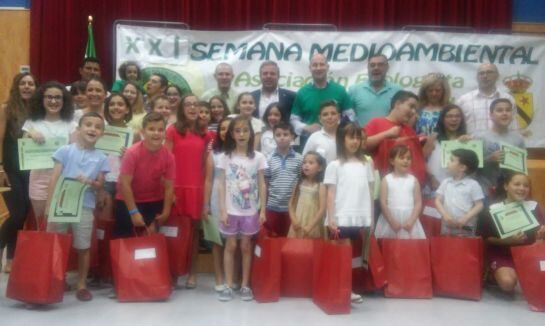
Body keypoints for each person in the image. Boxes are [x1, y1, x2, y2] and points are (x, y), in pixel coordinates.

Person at [45, 112, 110, 301]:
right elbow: (55, 178)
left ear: (102, 133)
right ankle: (57, 280)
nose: (92, 129)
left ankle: (81, 284)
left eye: (97, 127)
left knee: (83, 246)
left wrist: (90, 181)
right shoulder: (65, 151)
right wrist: (50, 204)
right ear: (79, 129)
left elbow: (100, 186)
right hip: (61, 203)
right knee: (56, 244)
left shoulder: (101, 157)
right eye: (88, 125)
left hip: (84, 205)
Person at [217, 116, 267, 302]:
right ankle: (229, 285)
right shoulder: (225, 157)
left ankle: (245, 285)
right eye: (237, 131)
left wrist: (262, 210)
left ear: (251, 134)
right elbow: (221, 184)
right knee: (230, 246)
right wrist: (222, 209)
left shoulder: (259, 157)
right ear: (231, 134)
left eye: (245, 131)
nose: (241, 134)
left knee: (246, 246)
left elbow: (262, 184)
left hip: (250, 211)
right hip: (230, 210)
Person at [165, 94, 213, 289]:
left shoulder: (207, 135)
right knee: (174, 232)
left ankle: (193, 273)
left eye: (196, 105)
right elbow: (166, 161)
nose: (192, 108)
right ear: (182, 108)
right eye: (188, 104)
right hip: (176, 187)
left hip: (197, 189)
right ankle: (174, 272)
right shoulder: (172, 131)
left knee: (193, 234)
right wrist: (169, 190)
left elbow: (206, 165)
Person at [325, 122, 374, 304]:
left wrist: (370, 217)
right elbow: (331, 192)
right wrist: (331, 217)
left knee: (350, 253)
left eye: (358, 137)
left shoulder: (365, 163)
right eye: (350, 137)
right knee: (341, 251)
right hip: (340, 215)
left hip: (357, 215)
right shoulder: (335, 165)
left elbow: (369, 190)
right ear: (341, 139)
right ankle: (339, 287)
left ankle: (345, 287)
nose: (355, 141)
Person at [480, 171, 545, 294]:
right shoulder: (493, 209)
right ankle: (492, 276)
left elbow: (541, 231)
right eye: (517, 184)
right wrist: (508, 241)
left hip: (528, 254)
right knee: (508, 283)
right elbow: (486, 238)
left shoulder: (533, 206)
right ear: (506, 186)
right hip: (502, 254)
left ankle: (523, 273)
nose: (522, 188)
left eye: (526, 185)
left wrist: (541, 234)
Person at [24, 81, 77, 226]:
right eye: (49, 97)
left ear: (64, 101)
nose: (53, 101)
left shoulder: (71, 124)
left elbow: (75, 154)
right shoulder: (32, 123)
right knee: (41, 222)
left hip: (63, 180)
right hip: (38, 180)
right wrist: (31, 134)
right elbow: (24, 148)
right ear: (42, 99)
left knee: (59, 225)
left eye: (58, 97)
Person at [0, 72, 37, 272]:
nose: (27, 87)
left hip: (31, 170)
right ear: (16, 86)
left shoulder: (38, 112)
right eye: (23, 83)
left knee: (23, 216)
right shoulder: (6, 109)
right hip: (9, 170)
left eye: (31, 84)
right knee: (17, 213)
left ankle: (10, 260)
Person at [115, 112, 174, 237]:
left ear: (165, 133)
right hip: (127, 201)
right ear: (143, 132)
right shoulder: (132, 153)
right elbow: (125, 184)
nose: (156, 133)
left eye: (160, 130)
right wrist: (133, 212)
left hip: (153, 201)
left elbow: (169, 187)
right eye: (151, 129)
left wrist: (166, 211)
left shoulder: (169, 156)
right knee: (126, 242)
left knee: (149, 242)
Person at [290, 53, 353, 147]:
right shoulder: (302, 92)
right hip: (309, 142)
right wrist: (306, 127)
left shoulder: (340, 90)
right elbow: (293, 120)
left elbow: (351, 117)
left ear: (327, 67)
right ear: (310, 68)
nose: (318, 68)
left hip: (337, 142)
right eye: (315, 65)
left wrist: (334, 125)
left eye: (321, 64)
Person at [364, 90, 426, 185]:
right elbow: (362, 145)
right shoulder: (376, 122)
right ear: (397, 104)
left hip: (405, 187)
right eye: (411, 106)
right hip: (380, 185)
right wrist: (387, 134)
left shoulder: (410, 131)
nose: (413, 112)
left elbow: (416, 161)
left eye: (415, 109)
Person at [203, 117, 232, 293]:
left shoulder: (241, 153)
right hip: (215, 198)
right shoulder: (213, 153)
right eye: (222, 129)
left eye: (230, 129)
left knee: (233, 241)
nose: (226, 132)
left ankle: (232, 277)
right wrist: (205, 205)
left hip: (235, 199)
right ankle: (219, 277)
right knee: (217, 240)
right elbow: (208, 180)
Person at [475, 98, 525, 197]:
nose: (504, 113)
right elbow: (471, 166)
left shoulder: (518, 139)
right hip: (485, 191)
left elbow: (522, 169)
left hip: (509, 193)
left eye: (508, 110)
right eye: (499, 110)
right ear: (491, 115)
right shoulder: (480, 137)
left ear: (512, 114)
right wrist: (490, 159)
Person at [374, 144, 425, 239]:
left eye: (408, 158)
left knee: (410, 249)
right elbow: (383, 202)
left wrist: (411, 221)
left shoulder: (413, 180)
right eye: (402, 158)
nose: (406, 161)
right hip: (390, 221)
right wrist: (391, 221)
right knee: (389, 248)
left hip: (409, 220)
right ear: (392, 161)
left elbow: (418, 203)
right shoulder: (386, 180)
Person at [456, 63, 517, 135]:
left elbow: (513, 127)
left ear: (497, 76)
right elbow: (456, 128)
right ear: (477, 77)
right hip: (473, 145)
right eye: (481, 73)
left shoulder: (508, 99)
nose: (485, 76)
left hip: (501, 145)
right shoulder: (463, 100)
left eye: (489, 72)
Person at [264, 122, 302, 237]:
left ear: (292, 137)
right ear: (274, 137)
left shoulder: (300, 159)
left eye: (285, 134)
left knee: (290, 238)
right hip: (272, 206)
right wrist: (264, 206)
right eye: (278, 135)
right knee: (272, 239)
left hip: (291, 209)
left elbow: (301, 184)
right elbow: (265, 184)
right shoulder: (268, 159)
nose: (282, 137)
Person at [435, 149, 484, 236]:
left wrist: (466, 218)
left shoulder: (473, 185)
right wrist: (444, 214)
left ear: (462, 167)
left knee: (465, 248)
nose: (448, 163)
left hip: (465, 228)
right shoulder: (446, 182)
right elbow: (438, 200)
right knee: (447, 247)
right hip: (447, 227)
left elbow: (479, 205)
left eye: (452, 160)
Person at [100, 93, 133, 222]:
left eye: (120, 104)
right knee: (104, 222)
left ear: (127, 109)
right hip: (105, 181)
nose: (116, 107)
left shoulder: (133, 133)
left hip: (125, 182)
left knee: (122, 222)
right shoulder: (101, 130)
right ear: (107, 108)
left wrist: (129, 156)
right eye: (112, 104)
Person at [426, 104, 470, 193]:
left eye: (457, 116)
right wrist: (431, 178)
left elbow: (471, 166)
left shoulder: (467, 140)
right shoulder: (434, 138)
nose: (454, 119)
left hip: (460, 189)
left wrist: (465, 144)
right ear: (442, 119)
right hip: (437, 186)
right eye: (449, 116)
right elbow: (422, 160)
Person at [349, 54, 402, 126]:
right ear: (367, 68)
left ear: (387, 67)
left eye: (380, 65)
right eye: (372, 65)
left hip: (390, 136)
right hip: (364, 137)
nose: (376, 68)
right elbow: (348, 118)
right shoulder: (354, 90)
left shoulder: (398, 91)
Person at [288, 151, 327, 238]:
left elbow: (322, 209)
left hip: (313, 224)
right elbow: (290, 204)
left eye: (311, 163)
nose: (306, 165)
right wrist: (294, 220)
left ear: (320, 168)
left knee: (311, 248)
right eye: (304, 162)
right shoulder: (299, 183)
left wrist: (309, 227)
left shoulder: (321, 185)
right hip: (298, 223)